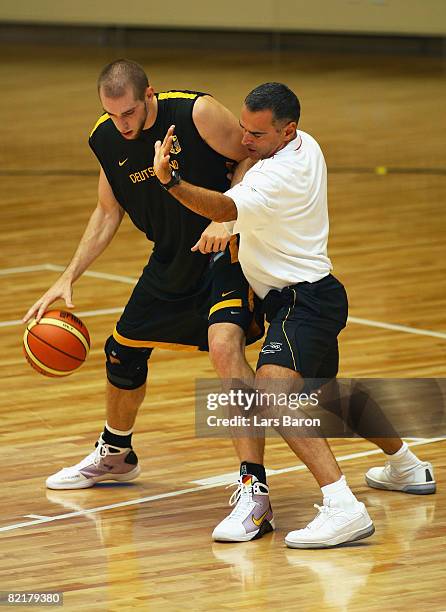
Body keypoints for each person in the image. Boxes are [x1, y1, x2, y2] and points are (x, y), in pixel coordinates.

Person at [153, 82, 436, 548]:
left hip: (300, 299)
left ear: (288, 132)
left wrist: (171, 182)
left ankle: (342, 506)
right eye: (244, 128)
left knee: (273, 391)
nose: (245, 141)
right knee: (327, 400)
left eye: (257, 135)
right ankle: (406, 465)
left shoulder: (275, 176)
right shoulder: (309, 147)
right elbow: (238, 205)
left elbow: (226, 205)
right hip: (317, 295)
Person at [23, 59, 264, 490]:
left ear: (149, 95)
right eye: (112, 114)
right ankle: (116, 454)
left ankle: (252, 482)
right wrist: (69, 275)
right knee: (122, 351)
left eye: (129, 113)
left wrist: (228, 216)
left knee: (225, 350)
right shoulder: (106, 137)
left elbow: (253, 157)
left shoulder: (196, 112)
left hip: (227, 253)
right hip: (170, 257)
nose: (122, 124)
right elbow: (106, 210)